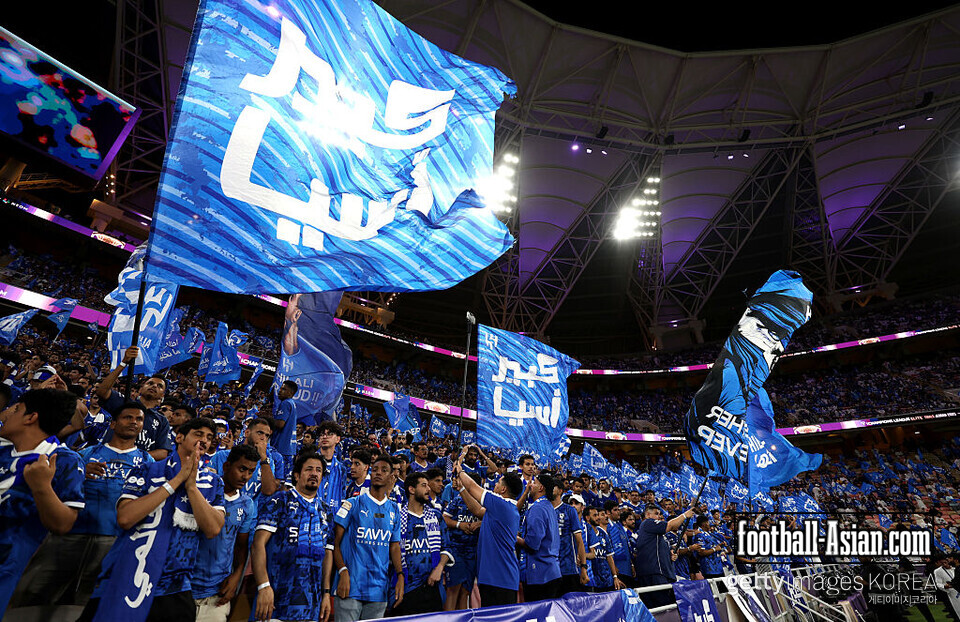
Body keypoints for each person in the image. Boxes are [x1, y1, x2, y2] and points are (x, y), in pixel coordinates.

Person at [9, 402, 153, 615]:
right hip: (68, 535)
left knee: (88, 604)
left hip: (113, 540)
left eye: (139, 419)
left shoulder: (147, 462)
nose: (134, 422)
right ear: (113, 424)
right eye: (128, 417)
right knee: (31, 595)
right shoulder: (84, 454)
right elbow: (55, 485)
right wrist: (80, 472)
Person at [77, 417, 226, 622]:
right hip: (128, 572)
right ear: (180, 437)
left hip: (175, 585)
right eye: (198, 434)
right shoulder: (147, 469)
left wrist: (191, 487)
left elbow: (213, 529)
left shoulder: (214, 482)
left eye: (209, 438)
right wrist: (175, 482)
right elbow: (126, 518)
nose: (204, 441)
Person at [0, 388, 86, 613]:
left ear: (30, 417)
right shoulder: (2, 447)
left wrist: (41, 487)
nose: (7, 413)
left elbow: (63, 523)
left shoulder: (62, 460)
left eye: (15, 409)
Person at [251, 451, 334, 622]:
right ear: (296, 475)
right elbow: (258, 544)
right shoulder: (279, 501)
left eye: (318, 470)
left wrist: (326, 593)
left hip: (312, 605)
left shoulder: (326, 511)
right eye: (309, 469)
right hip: (276, 602)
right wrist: (263, 586)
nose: (314, 474)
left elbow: (327, 554)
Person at [332, 453, 404, 622]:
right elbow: (334, 543)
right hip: (350, 587)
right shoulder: (352, 503)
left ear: (392, 476)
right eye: (375, 469)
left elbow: (394, 546)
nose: (378, 473)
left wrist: (400, 575)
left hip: (378, 591)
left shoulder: (394, 509)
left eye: (384, 470)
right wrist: (342, 571)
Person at [193, 444, 258, 622]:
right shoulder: (202, 491)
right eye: (242, 469)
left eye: (251, 471)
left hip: (217, 592)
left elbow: (241, 546)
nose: (245, 476)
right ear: (227, 466)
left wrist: (236, 576)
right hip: (185, 585)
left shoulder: (247, 505)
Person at [454, 450, 522, 607]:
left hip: (500, 579)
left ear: (503, 490)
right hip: (496, 578)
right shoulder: (503, 509)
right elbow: (477, 510)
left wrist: (460, 469)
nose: (495, 485)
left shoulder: (501, 505)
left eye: (498, 483)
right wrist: (462, 490)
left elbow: (472, 486)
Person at [95, 346, 175, 460]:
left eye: (159, 386)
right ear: (141, 389)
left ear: (162, 395)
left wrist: (132, 457)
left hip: (137, 470)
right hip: (106, 460)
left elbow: (163, 452)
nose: (154, 386)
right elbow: (101, 391)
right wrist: (124, 363)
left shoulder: (162, 421)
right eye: (150, 383)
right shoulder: (124, 402)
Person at [392, 471, 454, 616]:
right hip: (406, 588)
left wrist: (439, 567)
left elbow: (447, 547)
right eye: (424, 485)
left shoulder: (436, 516)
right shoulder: (397, 517)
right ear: (411, 489)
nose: (428, 489)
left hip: (432, 586)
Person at [635, 504, 694, 608]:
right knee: (662, 607)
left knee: (665, 607)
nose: (659, 517)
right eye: (656, 514)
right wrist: (684, 515)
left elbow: (659, 550)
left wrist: (670, 555)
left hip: (662, 573)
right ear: (648, 515)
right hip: (654, 573)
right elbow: (670, 525)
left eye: (660, 514)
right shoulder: (647, 523)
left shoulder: (659, 536)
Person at [442, 471, 482, 610]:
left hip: (473, 551)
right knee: (453, 590)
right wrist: (460, 525)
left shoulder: (483, 503)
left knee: (466, 591)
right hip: (456, 550)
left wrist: (481, 523)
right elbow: (444, 519)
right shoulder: (457, 500)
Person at [211, 418, 279, 500]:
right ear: (247, 433)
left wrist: (263, 458)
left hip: (250, 511)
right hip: (222, 508)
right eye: (260, 433)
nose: (263, 438)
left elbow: (269, 491)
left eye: (267, 435)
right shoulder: (222, 456)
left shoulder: (267, 462)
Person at [518, 473, 561, 601]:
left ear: (541, 488)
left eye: (534, 482)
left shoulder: (537, 508)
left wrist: (513, 537)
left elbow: (532, 543)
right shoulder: (549, 506)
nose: (530, 485)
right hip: (552, 571)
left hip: (540, 575)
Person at [555, 491, 589, 595]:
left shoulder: (587, 526)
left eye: (576, 503)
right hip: (561, 567)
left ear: (583, 507)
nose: (573, 506)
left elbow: (583, 545)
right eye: (571, 503)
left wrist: (583, 564)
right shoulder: (564, 518)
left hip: (576, 568)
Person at [584, 506, 623, 592]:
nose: (598, 518)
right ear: (587, 518)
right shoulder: (584, 534)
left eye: (598, 515)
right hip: (592, 579)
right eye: (595, 515)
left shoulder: (603, 533)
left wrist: (615, 577)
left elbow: (609, 556)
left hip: (607, 579)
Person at [316, 420, 348, 508]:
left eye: (329, 434)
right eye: (322, 434)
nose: (325, 437)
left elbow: (342, 497)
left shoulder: (341, 469)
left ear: (338, 439)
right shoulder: (310, 463)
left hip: (333, 517)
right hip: (313, 516)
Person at [271, 380, 299, 475]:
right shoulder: (292, 403)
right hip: (289, 449)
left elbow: (280, 424)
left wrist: (267, 419)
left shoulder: (285, 403)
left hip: (281, 448)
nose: (280, 391)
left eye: (283, 389)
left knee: (277, 478)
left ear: (290, 393)